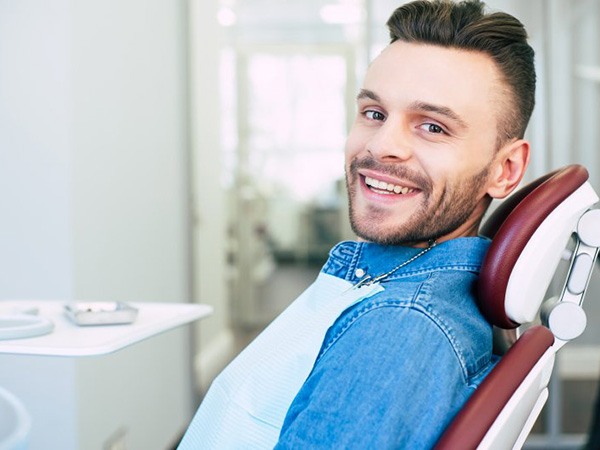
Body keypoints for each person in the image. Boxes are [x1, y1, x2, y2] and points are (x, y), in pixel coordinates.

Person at [179, 0, 536, 448]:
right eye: (374, 113)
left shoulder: (399, 329)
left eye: (432, 127)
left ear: (504, 169)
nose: (383, 146)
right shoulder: (389, 286)